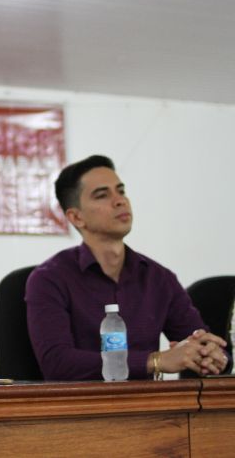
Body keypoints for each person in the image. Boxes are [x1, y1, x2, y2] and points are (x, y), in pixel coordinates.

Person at [26, 155, 228, 380]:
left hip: (151, 409)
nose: (120, 200)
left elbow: (202, 341)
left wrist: (213, 355)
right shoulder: (49, 279)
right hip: (79, 410)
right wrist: (155, 360)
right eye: (102, 195)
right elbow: (58, 363)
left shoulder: (159, 278)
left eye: (121, 191)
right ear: (76, 217)